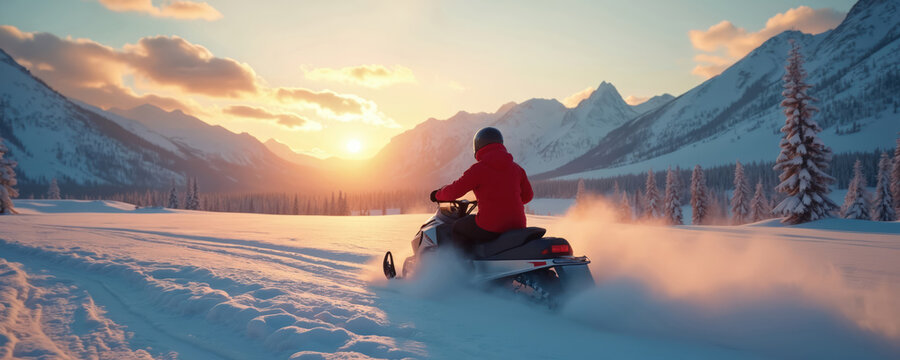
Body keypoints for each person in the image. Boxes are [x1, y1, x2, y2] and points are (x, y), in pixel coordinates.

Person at [430, 127, 533, 253]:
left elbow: (455, 191)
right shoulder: (517, 169)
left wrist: (438, 195)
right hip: (518, 224)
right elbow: (528, 196)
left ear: (478, 146)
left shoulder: (478, 169)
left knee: (458, 227)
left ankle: (463, 267)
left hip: (491, 225)